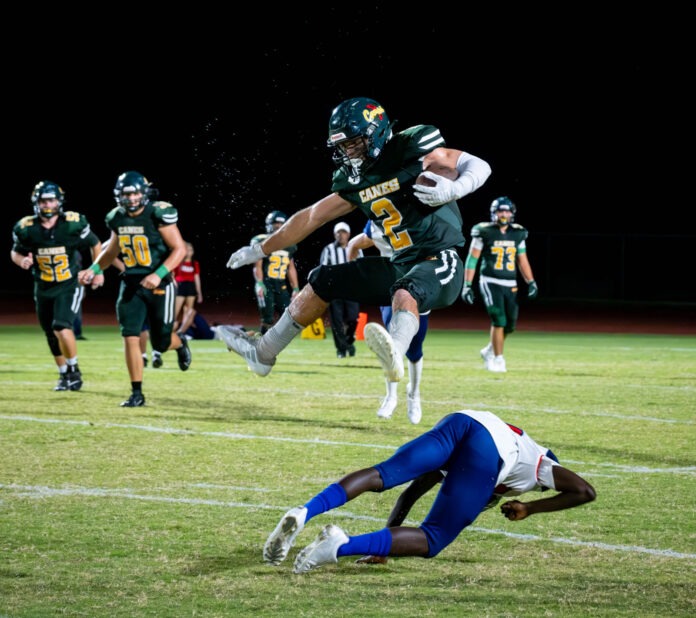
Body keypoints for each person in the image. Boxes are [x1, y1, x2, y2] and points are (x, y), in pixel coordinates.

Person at [219, 96, 491, 380]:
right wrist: (261, 248)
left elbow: (478, 164)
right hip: (400, 263)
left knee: (405, 291)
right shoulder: (353, 180)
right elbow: (311, 216)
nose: (347, 152)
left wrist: (456, 188)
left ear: (376, 132)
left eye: (352, 142)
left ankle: (395, 353)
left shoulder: (409, 147)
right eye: (341, 146)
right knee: (323, 279)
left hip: (440, 258)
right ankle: (263, 351)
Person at [262, 409, 596, 573]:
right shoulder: (539, 463)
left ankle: (304, 511)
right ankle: (339, 546)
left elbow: (410, 492)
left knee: (383, 474)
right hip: (487, 447)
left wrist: (385, 547)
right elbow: (584, 491)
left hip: (463, 421)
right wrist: (531, 508)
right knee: (433, 538)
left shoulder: (509, 463)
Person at [78, 170, 192, 407]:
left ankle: (179, 342)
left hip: (161, 283)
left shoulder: (158, 213)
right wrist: (94, 269)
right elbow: (111, 251)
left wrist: (158, 274)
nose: (130, 199)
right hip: (131, 282)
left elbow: (179, 249)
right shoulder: (116, 218)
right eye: (126, 194)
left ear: (144, 193)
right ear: (119, 195)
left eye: (134, 193)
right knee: (130, 335)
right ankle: (136, 392)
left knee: (160, 343)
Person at [11, 180, 103, 391]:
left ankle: (74, 369)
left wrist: (97, 270)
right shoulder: (26, 228)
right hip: (42, 286)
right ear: (36, 202)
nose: (47, 205)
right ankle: (63, 375)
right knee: (50, 333)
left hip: (68, 284)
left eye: (51, 200)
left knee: (61, 326)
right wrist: (20, 260)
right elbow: (15, 251)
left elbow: (95, 243)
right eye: (43, 201)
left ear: (59, 201)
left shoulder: (72, 223)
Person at [347, 219, 428, 423]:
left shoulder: (421, 217)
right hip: (391, 291)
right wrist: (358, 274)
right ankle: (391, 396)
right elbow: (354, 245)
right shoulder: (377, 222)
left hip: (419, 289)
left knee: (415, 350)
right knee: (390, 344)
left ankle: (414, 394)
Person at [460, 196, 538, 373]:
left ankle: (489, 350)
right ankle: (498, 358)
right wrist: (467, 284)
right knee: (498, 319)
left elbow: (522, 260)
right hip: (490, 280)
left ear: (512, 213)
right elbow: (473, 259)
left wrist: (531, 281)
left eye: (506, 211)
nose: (503, 214)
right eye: (500, 211)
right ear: (494, 213)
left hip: (510, 282)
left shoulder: (518, 233)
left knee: (510, 325)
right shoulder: (484, 231)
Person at [250, 210, 300, 334]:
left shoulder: (289, 244)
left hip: (281, 284)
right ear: (269, 224)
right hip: (266, 283)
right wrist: (260, 283)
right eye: (275, 224)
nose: (278, 226)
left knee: (287, 316)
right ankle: (261, 341)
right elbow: (258, 265)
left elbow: (291, 267)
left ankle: (272, 341)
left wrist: (296, 288)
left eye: (281, 224)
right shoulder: (262, 240)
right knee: (267, 318)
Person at [320, 221, 362, 358]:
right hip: (335, 291)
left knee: (353, 319)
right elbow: (324, 270)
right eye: (338, 232)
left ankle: (349, 342)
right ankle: (341, 349)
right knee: (336, 321)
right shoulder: (328, 249)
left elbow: (361, 268)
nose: (341, 235)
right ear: (334, 234)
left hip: (352, 290)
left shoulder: (356, 248)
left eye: (343, 232)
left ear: (348, 234)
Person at [173, 241, 203, 336]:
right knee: (176, 312)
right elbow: (172, 275)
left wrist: (199, 293)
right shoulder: (178, 262)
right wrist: (175, 286)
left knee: (188, 311)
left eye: (191, 249)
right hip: (180, 286)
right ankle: (170, 331)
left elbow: (197, 278)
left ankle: (182, 332)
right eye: (187, 249)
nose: (189, 251)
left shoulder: (194, 264)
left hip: (190, 287)